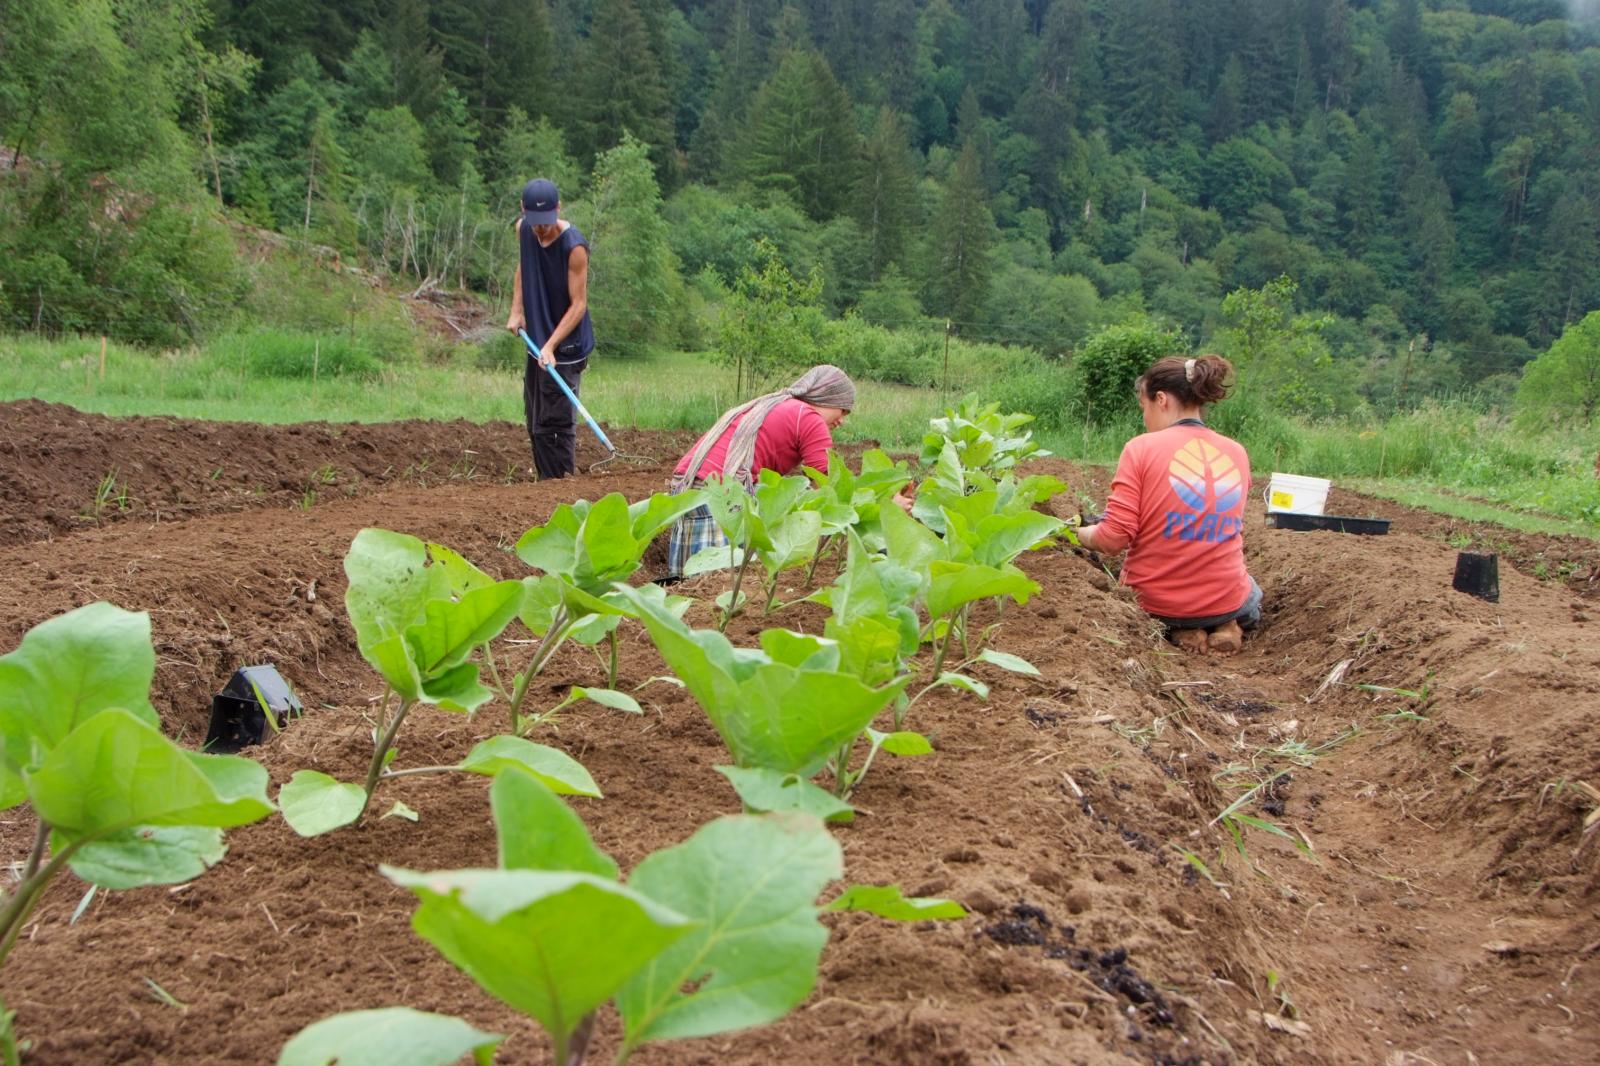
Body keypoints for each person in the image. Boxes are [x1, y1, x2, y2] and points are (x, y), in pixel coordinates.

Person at [1075, 354, 1261, 656]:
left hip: (1156, 603)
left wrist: (1081, 533)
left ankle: (1182, 629)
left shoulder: (1141, 448)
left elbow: (1113, 538)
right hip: (1225, 599)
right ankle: (1226, 626)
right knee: (1250, 590)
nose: (1144, 417)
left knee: (1162, 599)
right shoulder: (1236, 452)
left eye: (1143, 407)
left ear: (1160, 399)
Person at [664, 365, 857, 580]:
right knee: (718, 586)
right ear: (826, 397)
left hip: (687, 490)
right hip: (721, 497)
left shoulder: (772, 405)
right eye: (843, 409)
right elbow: (828, 482)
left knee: (692, 588)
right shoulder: (809, 417)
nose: (842, 420)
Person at [505, 177, 594, 479]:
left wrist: (551, 345)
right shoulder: (524, 232)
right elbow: (524, 267)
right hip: (538, 341)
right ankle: (545, 484)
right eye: (535, 222)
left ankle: (560, 487)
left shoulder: (574, 247)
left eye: (546, 222)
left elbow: (579, 305)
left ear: (558, 209)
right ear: (523, 210)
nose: (541, 229)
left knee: (556, 424)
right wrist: (517, 310)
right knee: (536, 420)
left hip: (564, 348)